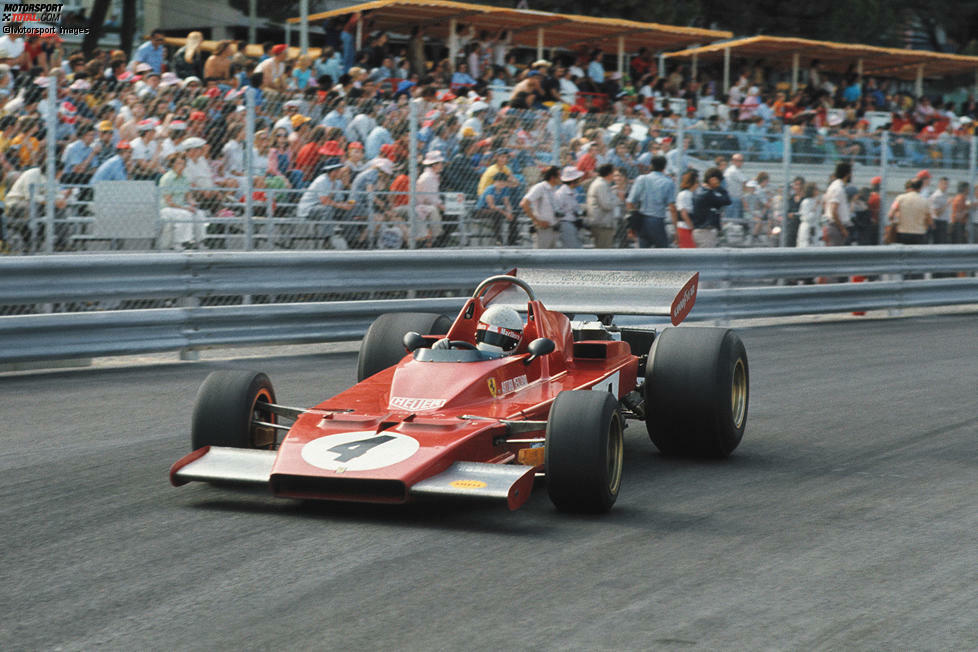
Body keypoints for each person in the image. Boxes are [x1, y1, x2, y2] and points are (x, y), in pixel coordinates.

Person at [625, 155, 677, 248]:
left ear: (651, 165)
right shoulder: (668, 182)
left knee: (643, 253)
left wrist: (633, 219)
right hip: (657, 220)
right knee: (663, 252)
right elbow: (672, 208)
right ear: (664, 167)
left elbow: (630, 201)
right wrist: (676, 230)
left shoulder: (642, 179)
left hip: (642, 220)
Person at [158, 152, 207, 249]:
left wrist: (192, 204)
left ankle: (199, 242)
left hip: (181, 207)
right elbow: (169, 202)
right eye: (178, 163)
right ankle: (179, 243)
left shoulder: (184, 178)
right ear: (172, 165)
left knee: (199, 214)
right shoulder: (167, 178)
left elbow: (189, 196)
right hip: (167, 208)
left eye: (183, 164)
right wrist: (185, 208)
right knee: (185, 215)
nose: (181, 166)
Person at [520, 166, 561, 249]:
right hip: (543, 230)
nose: (561, 178)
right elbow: (524, 204)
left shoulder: (553, 189)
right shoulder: (540, 187)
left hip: (553, 228)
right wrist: (537, 221)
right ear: (553, 178)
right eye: (559, 176)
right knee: (541, 259)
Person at [690, 167, 731, 248]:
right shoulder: (708, 194)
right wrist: (720, 189)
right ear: (713, 179)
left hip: (698, 231)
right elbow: (727, 200)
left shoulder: (697, 191)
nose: (719, 184)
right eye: (718, 181)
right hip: (706, 233)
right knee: (707, 259)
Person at [887, 177, 932, 245]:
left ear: (910, 187)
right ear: (920, 189)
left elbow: (890, 215)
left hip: (902, 233)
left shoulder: (899, 199)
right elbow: (929, 221)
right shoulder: (925, 202)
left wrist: (896, 220)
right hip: (919, 234)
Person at [475, 172, 515, 246]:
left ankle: (512, 240)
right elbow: (492, 206)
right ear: (495, 181)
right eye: (499, 181)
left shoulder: (505, 189)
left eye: (504, 181)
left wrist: (510, 212)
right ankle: (498, 240)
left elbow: (507, 203)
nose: (502, 183)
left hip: (494, 211)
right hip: (481, 210)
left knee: (514, 216)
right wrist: (505, 213)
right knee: (497, 214)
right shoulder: (490, 189)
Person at [586, 163, 618, 248]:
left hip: (603, 224)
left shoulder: (602, 184)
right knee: (604, 254)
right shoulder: (601, 185)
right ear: (609, 174)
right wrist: (618, 199)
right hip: (602, 225)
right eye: (613, 173)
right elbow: (607, 205)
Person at [823, 161, 853, 246]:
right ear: (847, 174)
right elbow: (834, 211)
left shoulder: (834, 186)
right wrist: (842, 229)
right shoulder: (838, 189)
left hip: (834, 226)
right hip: (836, 228)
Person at [555, 166, 585, 248]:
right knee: (573, 249)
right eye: (578, 179)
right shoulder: (561, 193)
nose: (580, 180)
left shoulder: (573, 191)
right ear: (573, 181)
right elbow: (557, 211)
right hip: (565, 223)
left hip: (573, 223)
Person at [675, 169, 698, 249]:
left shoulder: (690, 194)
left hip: (686, 227)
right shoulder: (684, 194)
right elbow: (683, 213)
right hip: (685, 227)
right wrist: (691, 227)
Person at [796, 182, 821, 248]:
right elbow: (807, 217)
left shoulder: (816, 201)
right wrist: (815, 208)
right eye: (816, 189)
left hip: (814, 227)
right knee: (805, 245)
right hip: (807, 228)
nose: (818, 190)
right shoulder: (806, 202)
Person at [723, 153, 746, 220]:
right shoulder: (734, 171)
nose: (741, 163)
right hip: (734, 199)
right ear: (734, 161)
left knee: (730, 220)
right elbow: (745, 182)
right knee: (734, 222)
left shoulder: (729, 170)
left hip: (730, 198)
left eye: (742, 160)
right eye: (740, 160)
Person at [928, 176, 951, 244]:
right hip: (938, 223)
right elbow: (937, 213)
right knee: (939, 243)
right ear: (939, 184)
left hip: (944, 222)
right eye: (944, 184)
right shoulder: (937, 196)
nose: (945, 186)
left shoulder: (944, 194)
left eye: (947, 184)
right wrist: (947, 204)